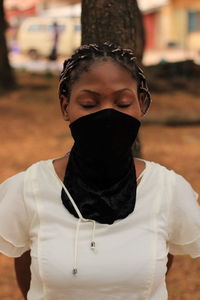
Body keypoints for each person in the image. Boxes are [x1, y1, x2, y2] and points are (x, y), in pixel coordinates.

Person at [0, 42, 200, 300]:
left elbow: (160, 265)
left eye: (123, 102)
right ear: (65, 106)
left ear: (141, 104)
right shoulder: (28, 189)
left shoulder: (168, 191)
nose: (108, 114)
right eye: (89, 104)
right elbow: (27, 272)